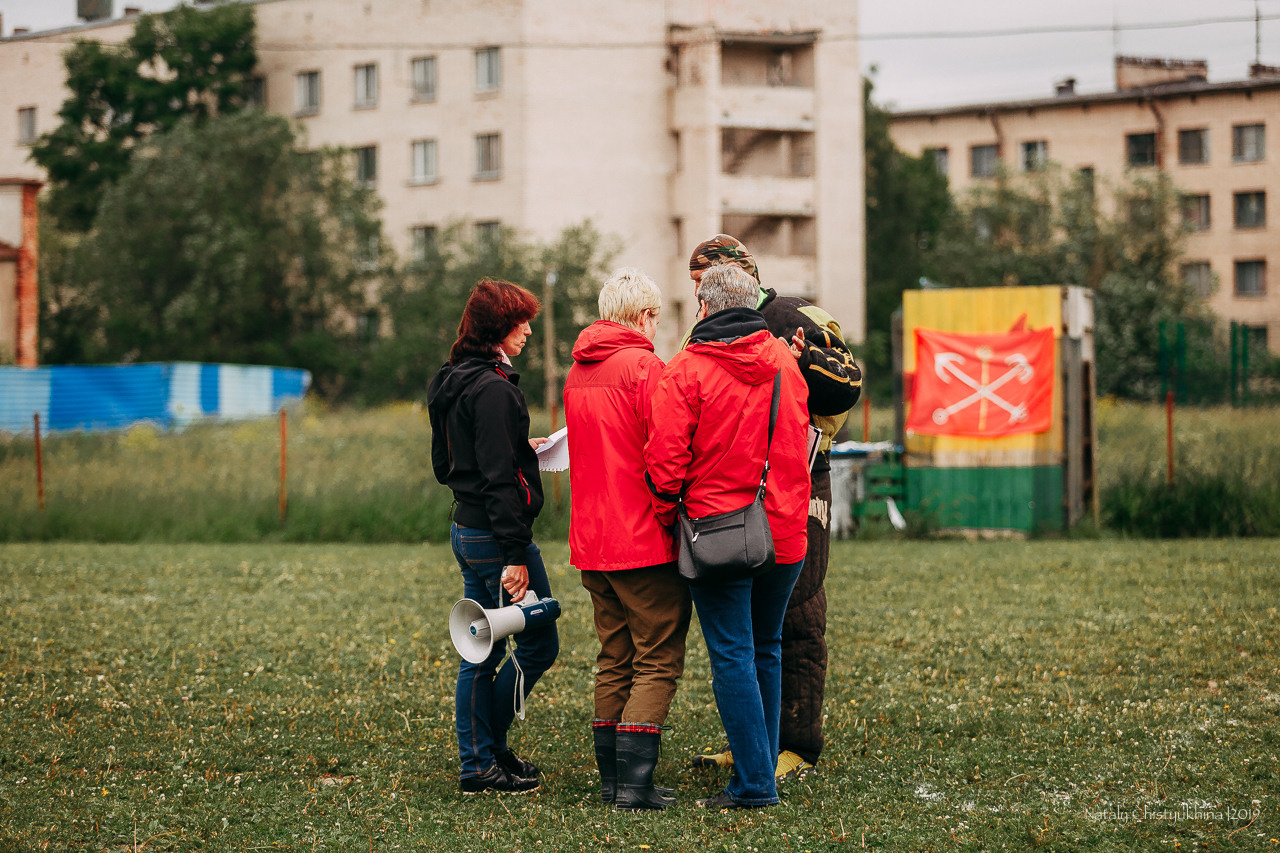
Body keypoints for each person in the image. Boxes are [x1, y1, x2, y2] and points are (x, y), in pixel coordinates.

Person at [686, 235, 862, 781]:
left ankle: (797, 743)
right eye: (696, 288)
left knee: (799, 609)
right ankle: (754, 742)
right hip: (744, 486)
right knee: (754, 619)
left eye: (705, 284)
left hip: (803, 476)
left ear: (740, 276)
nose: (700, 298)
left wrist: (802, 355)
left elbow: (849, 383)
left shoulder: (794, 314)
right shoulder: (709, 331)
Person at [644, 263, 811, 809]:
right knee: (766, 648)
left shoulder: (687, 368)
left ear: (705, 307)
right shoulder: (787, 361)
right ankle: (760, 770)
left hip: (716, 536)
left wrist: (671, 519)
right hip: (783, 530)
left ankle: (755, 783)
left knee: (733, 656)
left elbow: (665, 464)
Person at [563, 267, 691, 811]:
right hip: (641, 539)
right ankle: (635, 786)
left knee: (614, 656)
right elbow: (666, 453)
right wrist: (667, 512)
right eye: (657, 316)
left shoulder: (576, 371)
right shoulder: (646, 367)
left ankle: (612, 780)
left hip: (592, 540)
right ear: (644, 317)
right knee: (658, 657)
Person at [427, 278, 560, 795]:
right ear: (495, 329)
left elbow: (448, 465)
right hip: (497, 537)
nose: (527, 329)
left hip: (466, 525)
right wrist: (514, 553)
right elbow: (499, 480)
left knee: (483, 646)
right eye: (518, 321)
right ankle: (480, 759)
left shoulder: (451, 378)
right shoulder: (495, 390)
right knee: (538, 642)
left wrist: (514, 447)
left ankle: (486, 757)